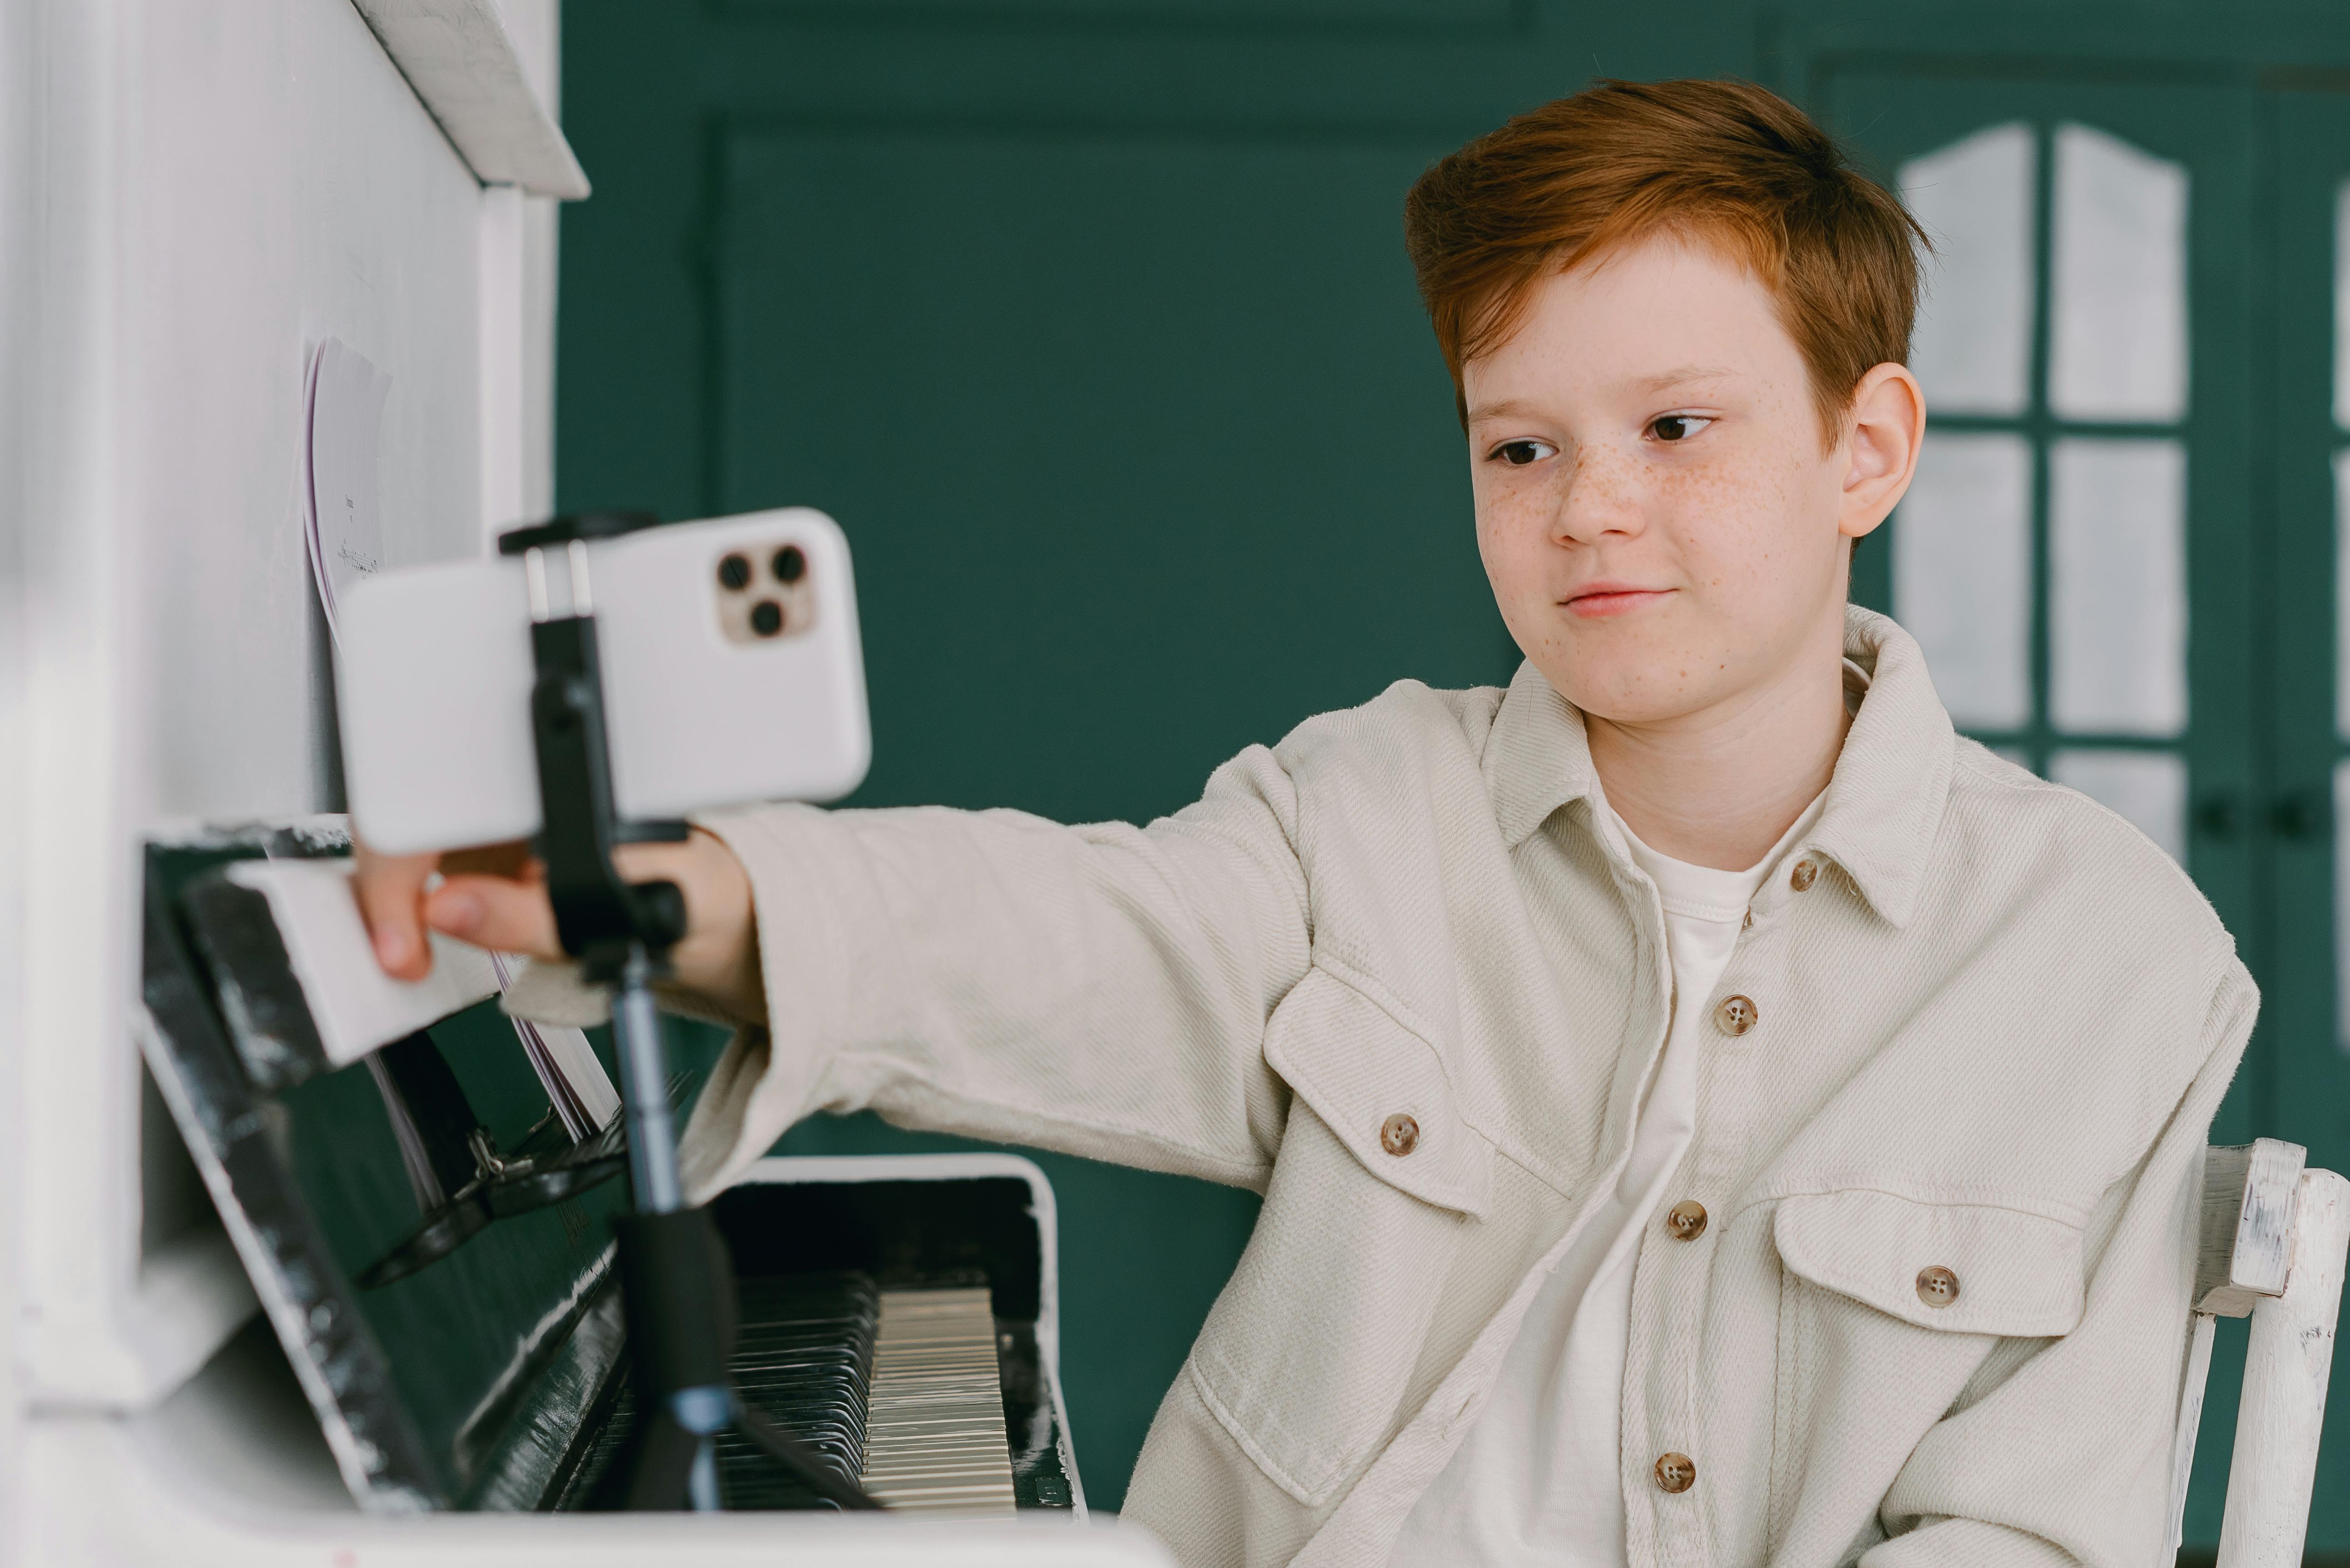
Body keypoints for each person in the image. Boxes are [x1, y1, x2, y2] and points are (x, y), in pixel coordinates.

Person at [357, 79, 2251, 1568]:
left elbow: (2028, 1529)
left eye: (1675, 428)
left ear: (1866, 446)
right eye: (1518, 444)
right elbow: (1075, 935)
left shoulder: (2114, 965)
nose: (1586, 506)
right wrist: (684, 888)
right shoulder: (1372, 806)